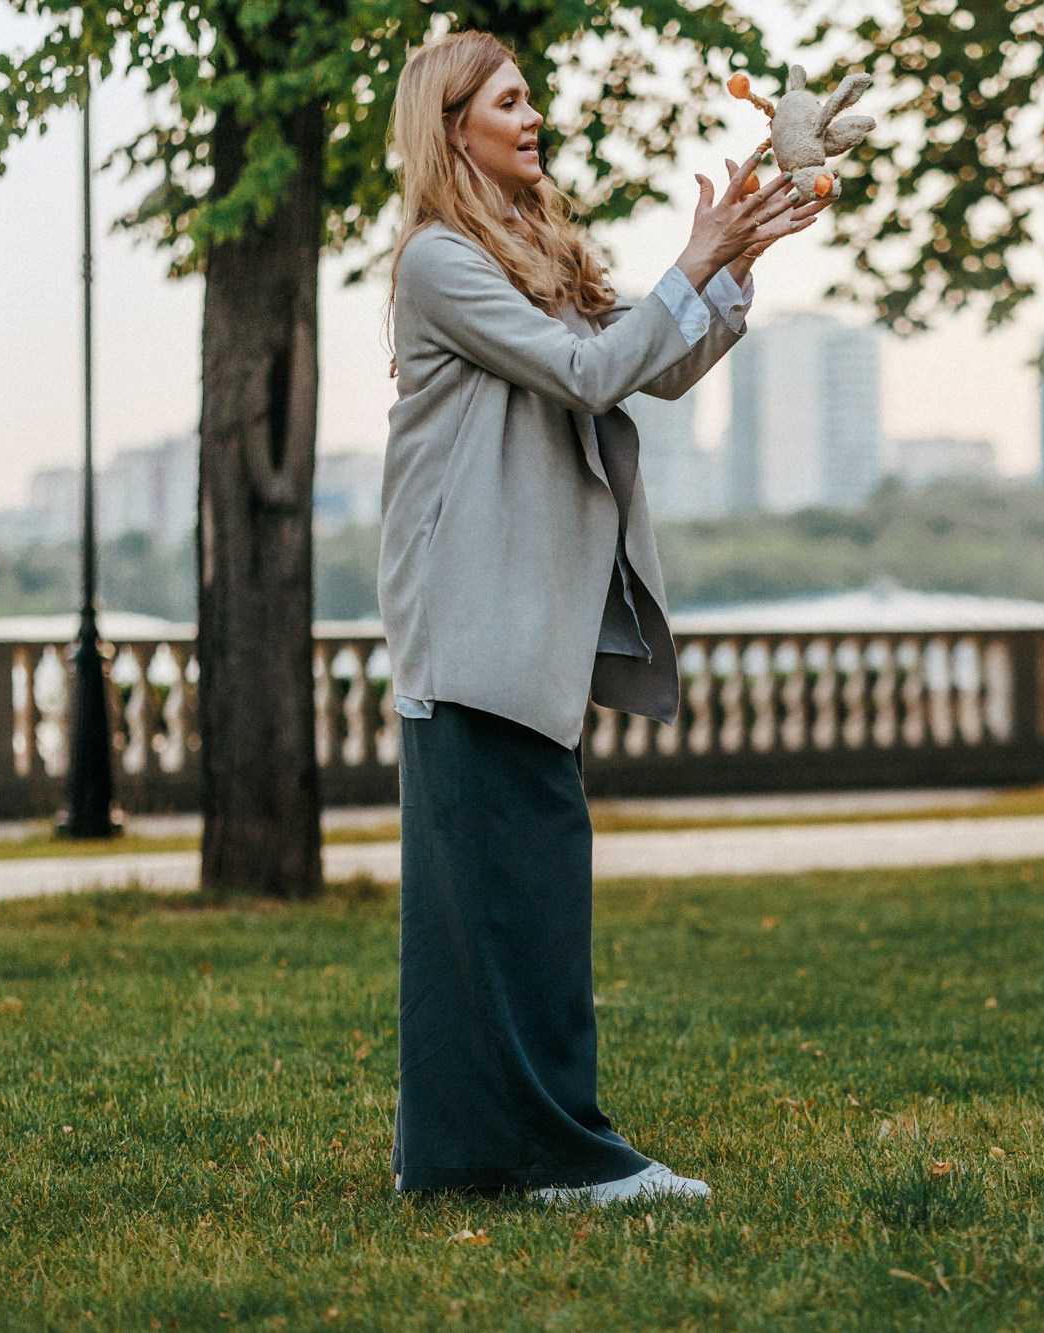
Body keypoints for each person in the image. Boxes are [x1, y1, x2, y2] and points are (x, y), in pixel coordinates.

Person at [378, 28, 822, 1206]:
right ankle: (553, 1159)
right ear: (451, 124)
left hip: (517, 615)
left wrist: (732, 261)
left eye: (531, 100)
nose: (534, 119)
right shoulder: (439, 263)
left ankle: (466, 1154)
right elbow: (588, 376)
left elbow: (648, 365)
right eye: (509, 102)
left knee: (503, 899)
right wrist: (696, 255)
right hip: (471, 612)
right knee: (499, 897)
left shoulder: (518, 251)